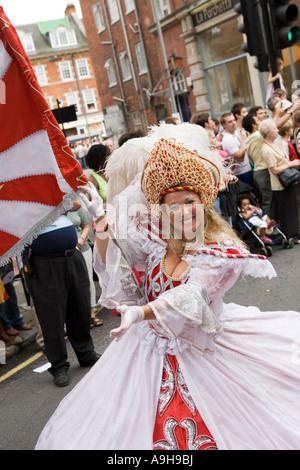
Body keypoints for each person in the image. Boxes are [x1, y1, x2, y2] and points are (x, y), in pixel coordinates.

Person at [35, 123, 300, 450]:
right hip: (145, 349)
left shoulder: (219, 252)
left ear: (203, 201)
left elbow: (190, 296)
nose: (183, 211)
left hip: (205, 351)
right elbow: (119, 269)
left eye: (189, 201)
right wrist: (101, 219)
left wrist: (141, 313)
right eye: (172, 205)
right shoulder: (154, 244)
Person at [22, 214, 100, 387]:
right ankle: (58, 366)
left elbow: (75, 204)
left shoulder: (54, 199)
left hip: (72, 256)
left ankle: (86, 353)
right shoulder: (22, 208)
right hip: (45, 264)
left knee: (80, 306)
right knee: (51, 316)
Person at [259, 119, 300, 244]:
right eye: (274, 129)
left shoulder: (275, 144)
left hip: (288, 181)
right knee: (287, 211)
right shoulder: (266, 149)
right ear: (268, 132)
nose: (277, 130)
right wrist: (291, 164)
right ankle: (290, 236)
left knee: (292, 209)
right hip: (280, 184)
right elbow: (274, 170)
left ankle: (295, 234)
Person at [67, 200, 103, 327]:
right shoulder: (53, 211)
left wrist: (82, 238)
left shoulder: (75, 206)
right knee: (71, 285)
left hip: (82, 248)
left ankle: (91, 314)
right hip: (65, 253)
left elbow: (86, 225)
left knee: (88, 280)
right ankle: (78, 317)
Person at [243, 114, 276, 220]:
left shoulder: (248, 139)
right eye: (257, 120)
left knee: (265, 200)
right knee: (268, 201)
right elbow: (272, 127)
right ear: (254, 125)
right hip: (263, 171)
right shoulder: (258, 135)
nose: (260, 121)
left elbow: (251, 158)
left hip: (257, 171)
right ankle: (269, 228)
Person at [221, 112, 253, 186]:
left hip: (247, 170)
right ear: (224, 125)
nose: (233, 123)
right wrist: (243, 139)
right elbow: (240, 157)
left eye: (234, 120)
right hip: (241, 173)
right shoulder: (227, 139)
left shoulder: (235, 134)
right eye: (230, 122)